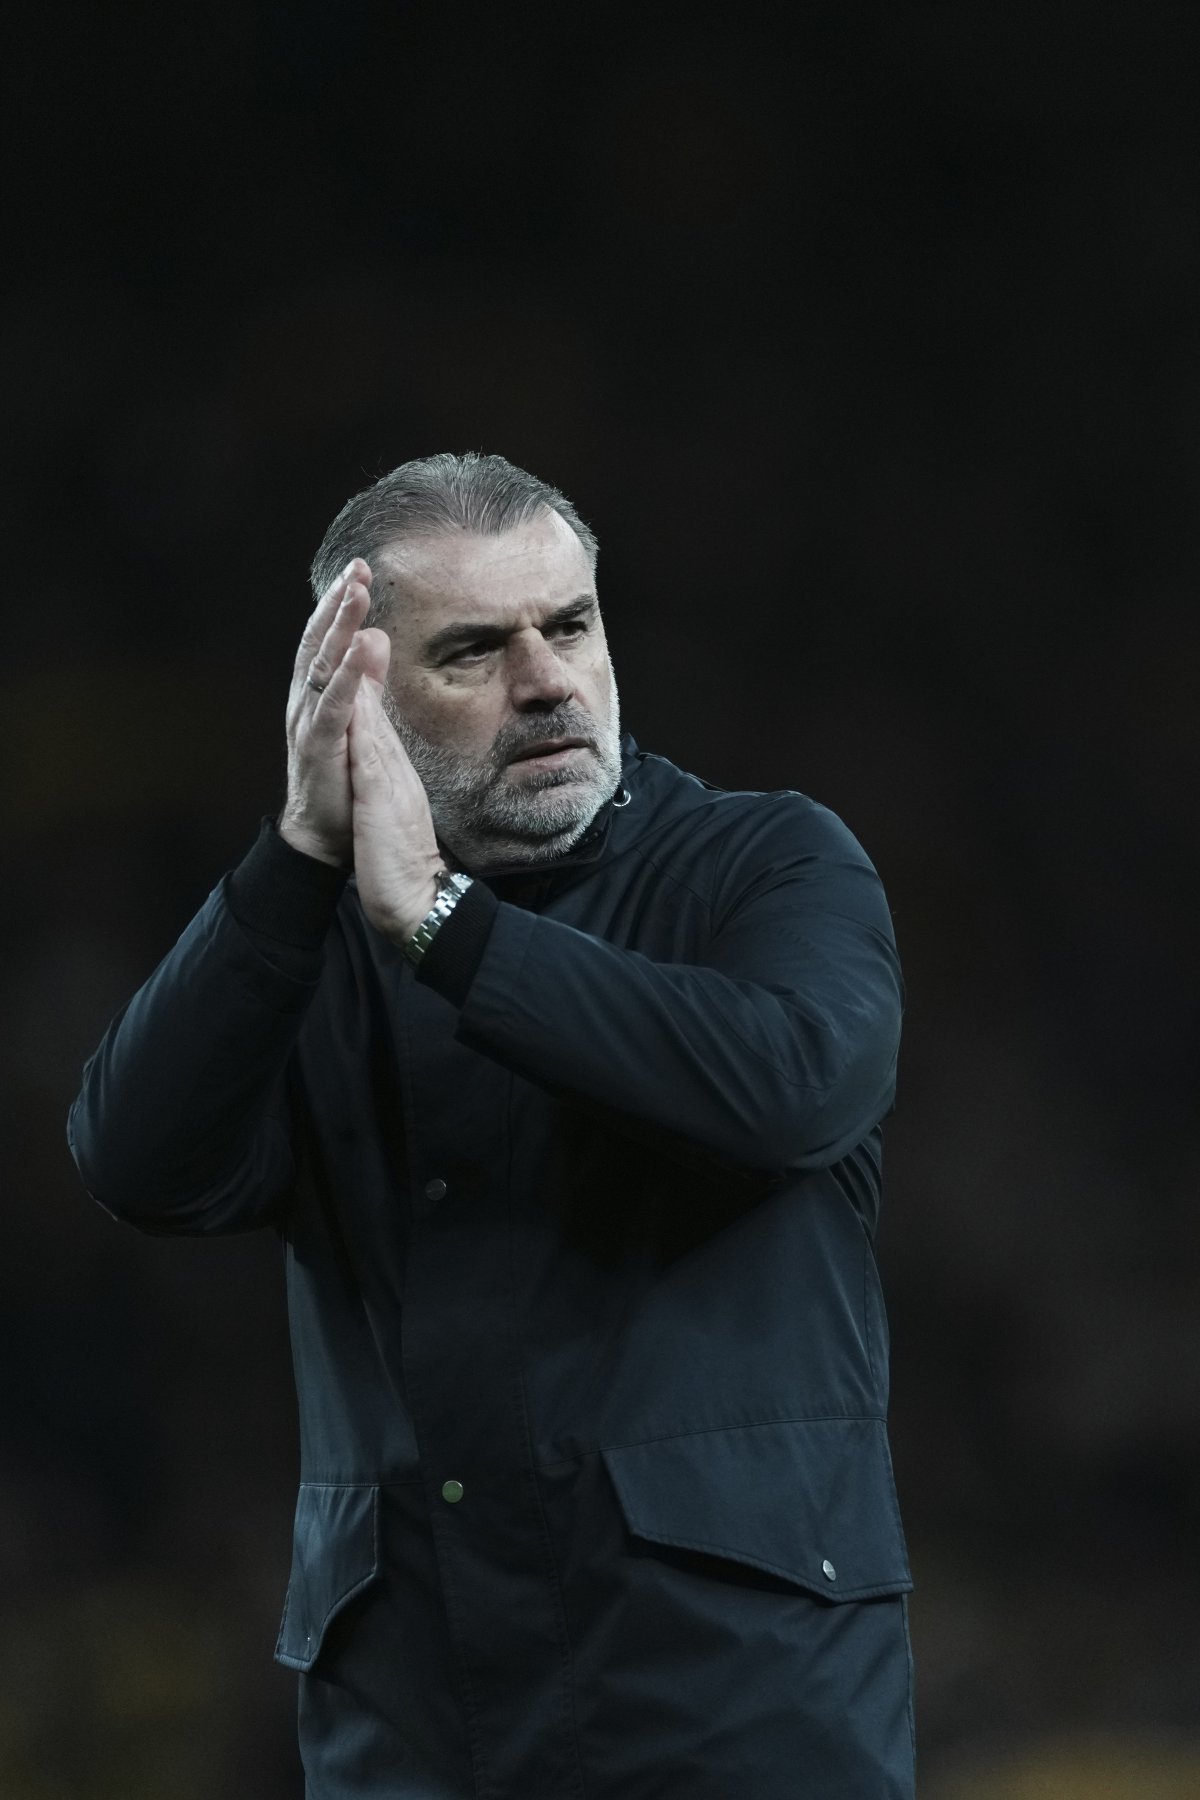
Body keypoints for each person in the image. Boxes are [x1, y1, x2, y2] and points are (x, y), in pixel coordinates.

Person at [67, 452, 915, 1799]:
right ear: (356, 695)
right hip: (417, 1728)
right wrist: (295, 856)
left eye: (569, 626)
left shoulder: (768, 861)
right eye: (473, 650)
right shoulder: (311, 946)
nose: (547, 681)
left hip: (734, 1712)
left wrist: (442, 925)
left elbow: (789, 1086)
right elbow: (136, 1163)